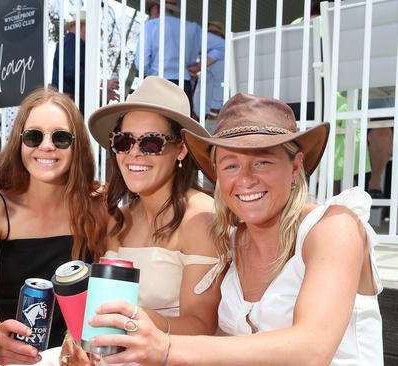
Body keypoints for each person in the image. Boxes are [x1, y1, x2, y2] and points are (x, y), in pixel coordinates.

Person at [88, 93, 383, 365]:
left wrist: (165, 347)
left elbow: (312, 348)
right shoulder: (229, 239)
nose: (245, 179)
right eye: (230, 165)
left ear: (295, 167)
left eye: (262, 161)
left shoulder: (333, 228)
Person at [0, 87, 107, 366]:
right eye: (34, 136)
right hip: (8, 359)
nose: (46, 146)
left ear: (76, 146)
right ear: (19, 142)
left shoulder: (98, 205)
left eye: (61, 137)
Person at [86, 75, 223, 340]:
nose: (134, 153)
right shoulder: (118, 220)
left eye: (151, 142)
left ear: (181, 149)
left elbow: (200, 326)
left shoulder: (202, 219)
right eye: (124, 141)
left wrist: (132, 318)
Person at [134, 1, 202, 114]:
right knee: (182, 125)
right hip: (183, 85)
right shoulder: (193, 28)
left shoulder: (151, 26)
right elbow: (220, 46)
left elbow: (142, 63)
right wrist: (198, 66)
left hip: (158, 83)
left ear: (156, 8)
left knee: (157, 126)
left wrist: (147, 73)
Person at [52, 11, 119, 114]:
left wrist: (100, 93)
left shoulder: (71, 43)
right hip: (69, 104)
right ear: (79, 25)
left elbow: (74, 80)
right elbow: (73, 72)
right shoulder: (73, 42)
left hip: (69, 103)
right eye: (91, 28)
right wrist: (102, 83)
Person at [189, 20, 225, 122]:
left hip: (211, 111)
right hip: (200, 109)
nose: (210, 37)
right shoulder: (206, 56)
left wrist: (214, 109)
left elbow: (221, 83)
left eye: (213, 35)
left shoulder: (221, 57)